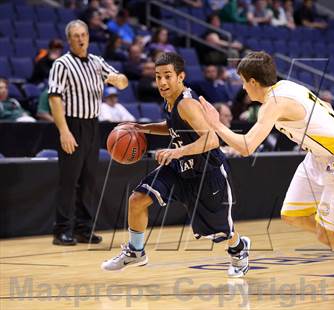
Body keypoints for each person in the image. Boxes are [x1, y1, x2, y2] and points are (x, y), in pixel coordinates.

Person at [199, 51, 334, 296]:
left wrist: (216, 124)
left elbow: (246, 147)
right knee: (293, 214)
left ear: (253, 82)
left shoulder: (273, 104)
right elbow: (324, 105)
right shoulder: (285, 86)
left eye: (243, 81)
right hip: (318, 156)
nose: (242, 87)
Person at [101, 52, 251, 278]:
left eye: (167, 76)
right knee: (138, 199)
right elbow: (173, 126)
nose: (161, 82)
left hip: (206, 172)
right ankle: (135, 250)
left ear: (180, 76)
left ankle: (239, 249)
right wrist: (144, 128)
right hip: (180, 167)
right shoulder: (171, 100)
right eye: (158, 76)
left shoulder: (187, 104)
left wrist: (176, 151)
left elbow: (211, 140)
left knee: (218, 231)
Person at [48, 19, 128, 246]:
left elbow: (122, 82)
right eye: (76, 35)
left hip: (93, 125)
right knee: (69, 180)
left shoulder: (96, 61)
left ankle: (83, 229)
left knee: (89, 180)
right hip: (72, 124)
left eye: (84, 34)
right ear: (69, 40)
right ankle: (62, 229)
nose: (81, 39)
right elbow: (54, 98)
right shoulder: (61, 64)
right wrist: (63, 131)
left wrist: (118, 79)